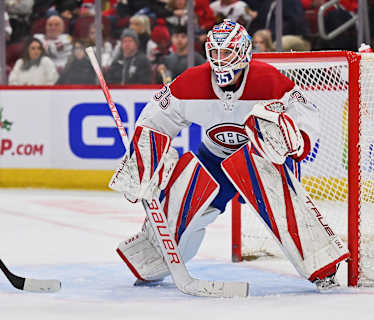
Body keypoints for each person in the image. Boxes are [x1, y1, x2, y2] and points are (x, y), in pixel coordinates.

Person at [111, 19, 348, 291]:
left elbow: (306, 115)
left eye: (228, 53)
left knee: (283, 203)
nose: (221, 61)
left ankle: (322, 264)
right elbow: (154, 121)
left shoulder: (269, 80)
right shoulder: (190, 82)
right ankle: (157, 259)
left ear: (244, 53)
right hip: (214, 160)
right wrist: (142, 166)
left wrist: (297, 143)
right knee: (181, 194)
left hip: (261, 160)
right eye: (216, 53)